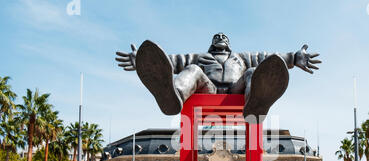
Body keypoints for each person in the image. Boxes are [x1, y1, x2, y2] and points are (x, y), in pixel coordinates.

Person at [116, 33, 321, 121]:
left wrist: (293, 57)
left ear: (229, 44)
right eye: (217, 38)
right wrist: (145, 61)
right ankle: (173, 96)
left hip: (238, 92)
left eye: (224, 38)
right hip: (209, 90)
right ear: (212, 44)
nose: (221, 38)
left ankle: (256, 104)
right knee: (194, 69)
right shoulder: (200, 57)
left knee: (252, 72)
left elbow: (266, 58)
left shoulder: (241, 58)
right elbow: (172, 61)